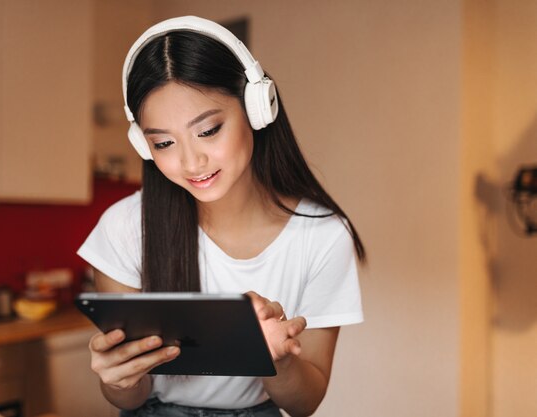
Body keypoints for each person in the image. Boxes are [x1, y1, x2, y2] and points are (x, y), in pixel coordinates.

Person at [77, 15, 366, 417]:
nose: (191, 161)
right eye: (163, 142)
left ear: (257, 109)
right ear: (143, 146)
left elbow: (305, 403)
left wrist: (277, 361)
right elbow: (130, 397)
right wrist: (117, 379)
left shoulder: (322, 235)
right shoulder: (124, 227)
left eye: (208, 130)